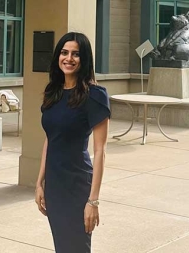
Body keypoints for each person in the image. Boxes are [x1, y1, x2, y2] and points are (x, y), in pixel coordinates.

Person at [35, 32, 110, 253]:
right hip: (54, 187)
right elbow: (50, 139)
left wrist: (93, 201)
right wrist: (40, 183)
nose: (69, 58)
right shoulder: (53, 93)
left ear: (84, 59)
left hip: (77, 186)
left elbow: (100, 150)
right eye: (64, 52)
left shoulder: (95, 96)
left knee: (76, 247)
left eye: (76, 54)